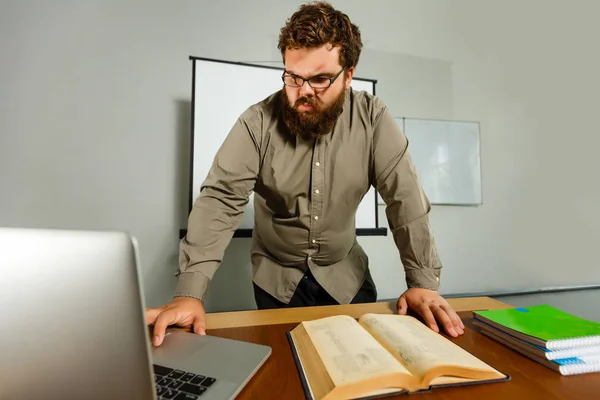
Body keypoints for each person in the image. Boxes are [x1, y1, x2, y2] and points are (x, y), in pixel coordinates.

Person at [146, 1, 465, 346]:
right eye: (293, 77)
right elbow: (220, 202)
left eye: (321, 79)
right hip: (275, 281)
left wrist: (422, 283)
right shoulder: (257, 123)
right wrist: (189, 292)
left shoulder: (372, 119)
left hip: (347, 278)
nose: (304, 92)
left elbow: (405, 198)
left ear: (349, 75)